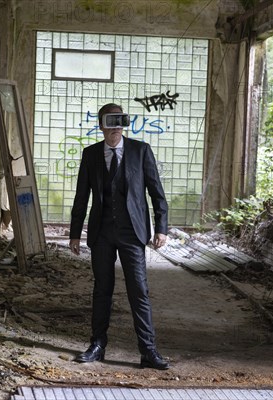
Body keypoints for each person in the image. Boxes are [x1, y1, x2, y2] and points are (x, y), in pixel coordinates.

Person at [69, 103, 170, 370]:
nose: (114, 128)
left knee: (139, 291)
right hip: (102, 232)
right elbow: (82, 196)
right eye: (109, 122)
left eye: (119, 122)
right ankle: (97, 345)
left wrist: (162, 227)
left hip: (131, 232)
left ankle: (148, 351)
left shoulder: (140, 151)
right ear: (101, 125)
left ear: (124, 124)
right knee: (102, 290)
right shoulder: (90, 155)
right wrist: (75, 234)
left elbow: (156, 192)